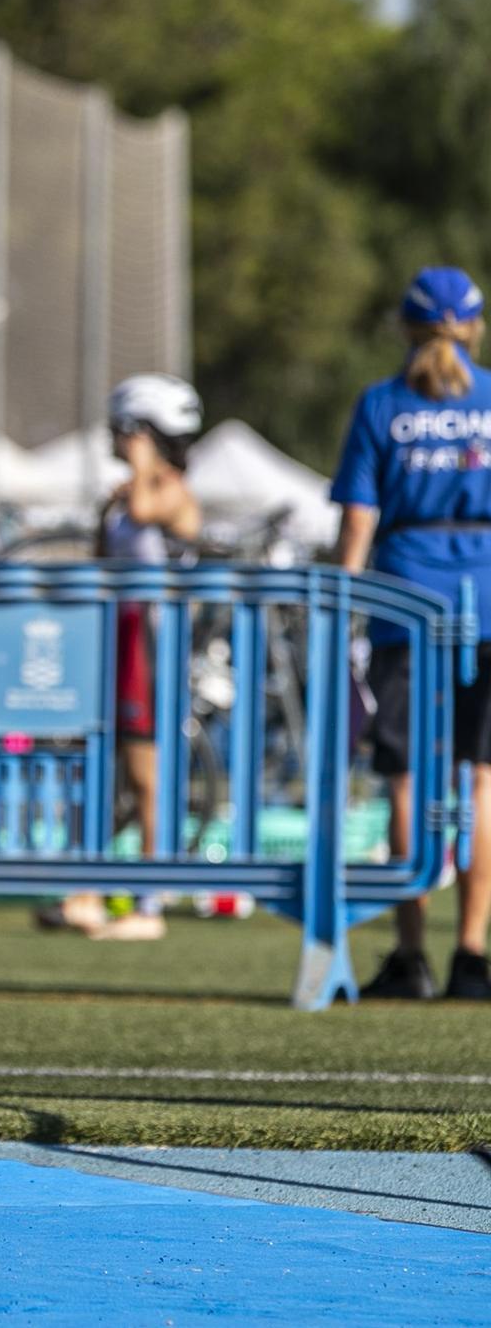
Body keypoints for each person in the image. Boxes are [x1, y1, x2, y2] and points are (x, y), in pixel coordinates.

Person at [332, 265, 491, 1001]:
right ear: (475, 327)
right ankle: (472, 954)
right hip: (485, 599)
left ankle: (411, 954)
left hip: (405, 599)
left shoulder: (382, 404)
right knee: (481, 780)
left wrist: (341, 605)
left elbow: (359, 519)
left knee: (406, 779)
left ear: (405, 327)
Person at [41, 373, 204, 940]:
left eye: (125, 431)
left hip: (150, 643)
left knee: (146, 775)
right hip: (115, 635)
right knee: (101, 768)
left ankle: (149, 903)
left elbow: (149, 508)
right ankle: (91, 889)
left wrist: (140, 464)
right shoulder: (126, 492)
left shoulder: (172, 488)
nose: (116, 439)